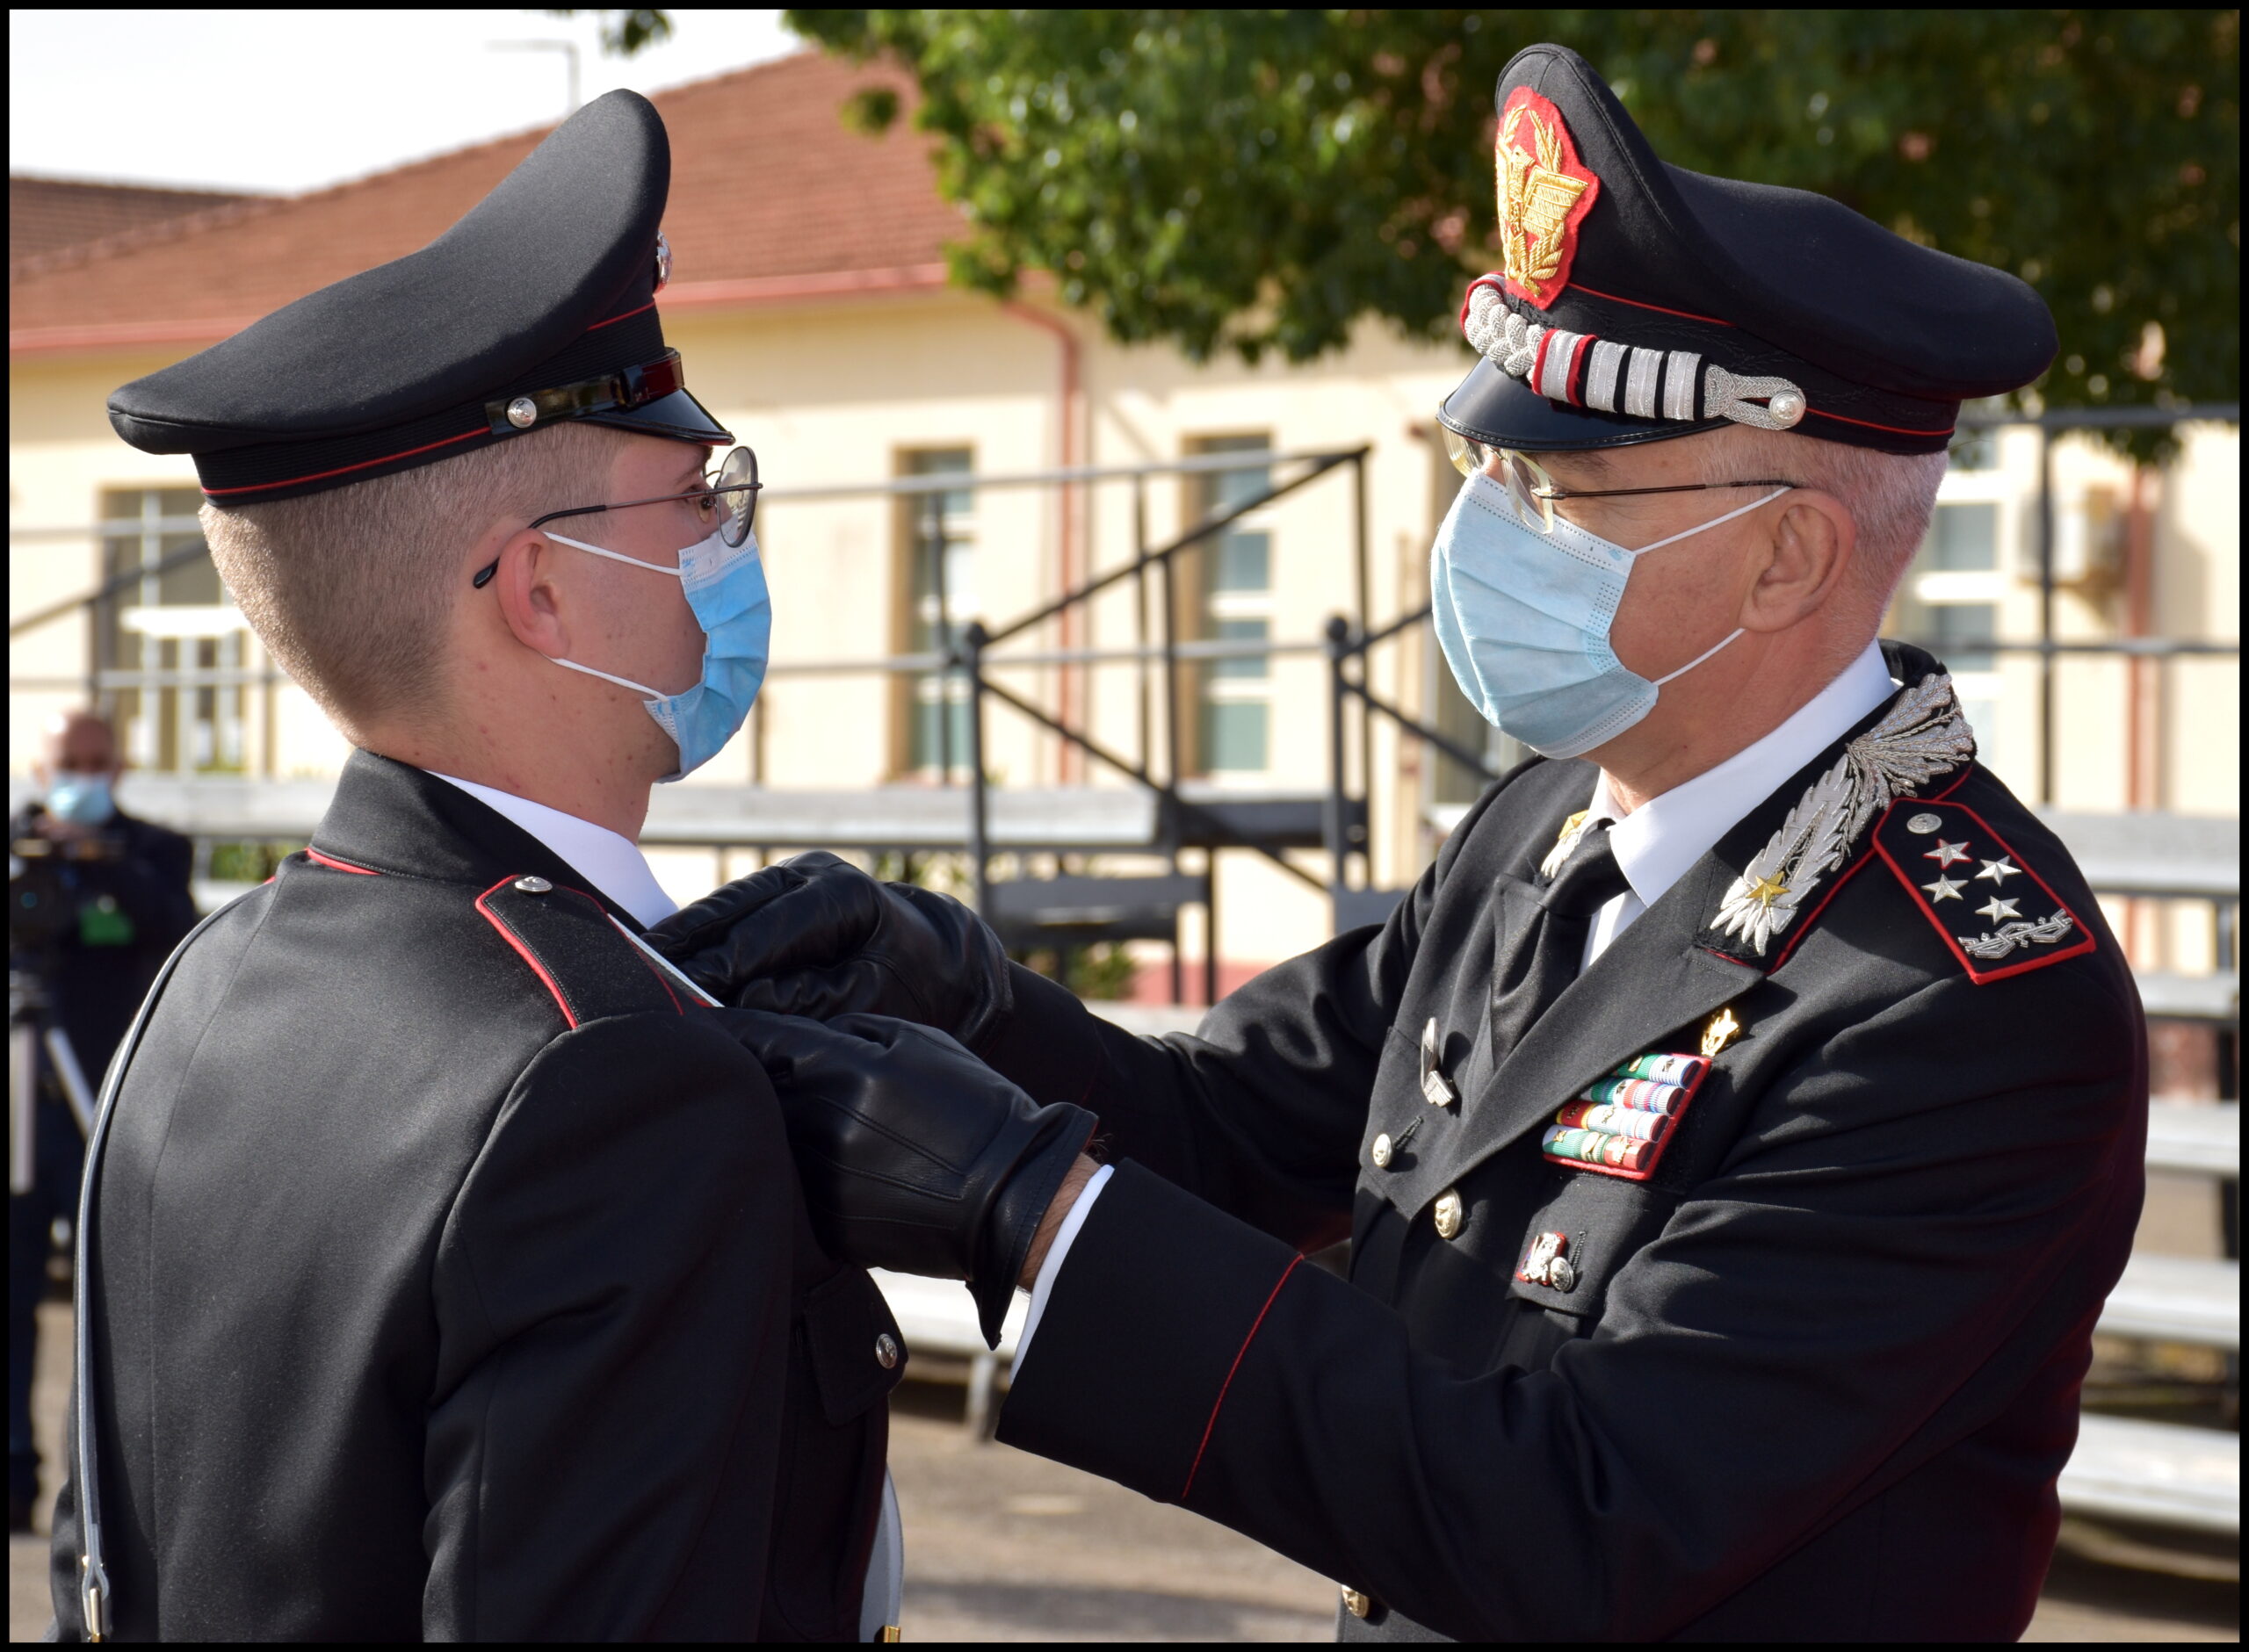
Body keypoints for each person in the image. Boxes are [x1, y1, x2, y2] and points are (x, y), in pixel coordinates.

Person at [656, 44, 2147, 1641]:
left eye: (1566, 492)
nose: (1491, 529)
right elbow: (1236, 1130)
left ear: (1788, 554)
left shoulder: (1960, 1008)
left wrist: (1030, 1208)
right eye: (1490, 468)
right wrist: (956, 990)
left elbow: (1592, 1514)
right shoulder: (1546, 823)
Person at [47, 90, 1094, 1641]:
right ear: (540, 591)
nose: (730, 545)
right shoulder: (615, 1077)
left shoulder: (208, 979)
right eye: (700, 500)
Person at [8, 711, 194, 1533]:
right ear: (38, 769)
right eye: (67, 762)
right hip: (20, 1096)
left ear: (117, 766)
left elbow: (177, 931)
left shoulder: (151, 849)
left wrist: (105, 866)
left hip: (108, 1098)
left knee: (114, 1302)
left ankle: (106, 1495)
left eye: (96, 760)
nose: (83, 776)